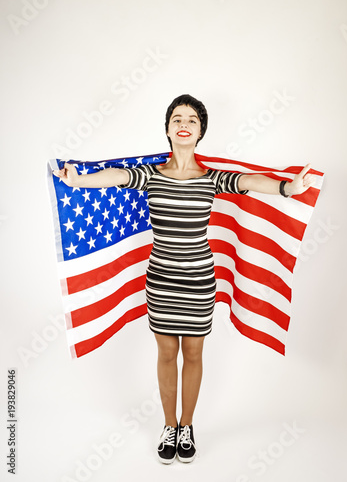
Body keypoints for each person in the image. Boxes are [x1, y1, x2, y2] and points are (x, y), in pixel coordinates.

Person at [54, 94, 315, 464]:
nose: (185, 123)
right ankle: (168, 425)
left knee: (193, 353)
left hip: (198, 282)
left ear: (200, 132)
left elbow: (250, 182)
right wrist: (79, 181)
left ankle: (187, 426)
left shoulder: (211, 179)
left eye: (193, 120)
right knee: (166, 353)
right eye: (178, 117)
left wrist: (288, 188)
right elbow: (116, 176)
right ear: (167, 129)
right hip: (161, 280)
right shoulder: (150, 176)